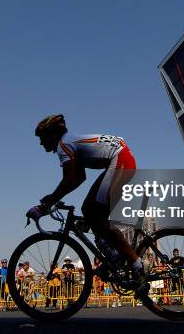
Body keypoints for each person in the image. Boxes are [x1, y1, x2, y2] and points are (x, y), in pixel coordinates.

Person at [26, 115, 143, 280]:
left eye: (42, 138)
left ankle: (136, 263)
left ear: (52, 134)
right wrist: (53, 197)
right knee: (88, 209)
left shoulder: (63, 145)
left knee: (96, 214)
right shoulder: (69, 142)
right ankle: (113, 253)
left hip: (120, 159)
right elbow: (78, 178)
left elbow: (68, 180)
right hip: (120, 157)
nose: (40, 143)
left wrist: (45, 205)